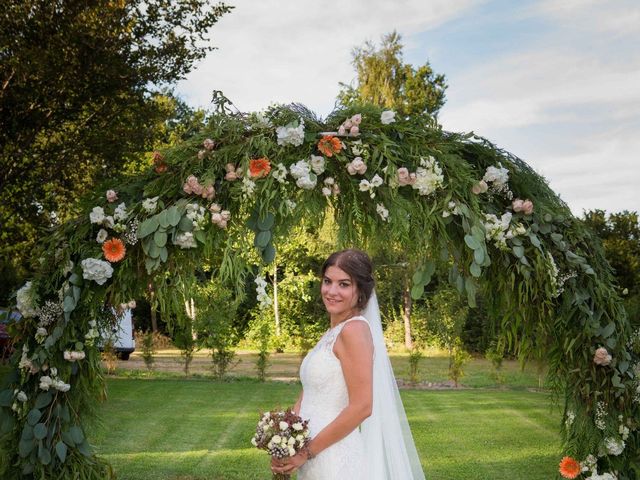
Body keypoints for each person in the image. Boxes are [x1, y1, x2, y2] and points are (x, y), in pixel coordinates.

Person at [271, 249, 425, 479]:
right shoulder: (333, 332)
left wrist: (307, 451)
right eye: (327, 281)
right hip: (312, 455)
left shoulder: (354, 330)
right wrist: (282, 440)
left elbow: (362, 406)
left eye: (344, 284)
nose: (332, 291)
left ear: (360, 292)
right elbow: (309, 395)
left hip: (333, 456)